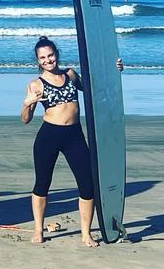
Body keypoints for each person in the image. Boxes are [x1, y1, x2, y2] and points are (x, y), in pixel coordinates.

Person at [19, 37, 124, 246]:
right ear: (38, 61)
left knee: (87, 185)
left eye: (50, 55)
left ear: (56, 54)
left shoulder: (71, 74)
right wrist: (27, 104)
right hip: (48, 136)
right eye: (43, 58)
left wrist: (114, 70)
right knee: (42, 184)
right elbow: (25, 120)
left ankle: (86, 233)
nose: (48, 60)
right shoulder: (35, 85)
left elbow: (95, 88)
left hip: (74, 136)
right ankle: (38, 230)